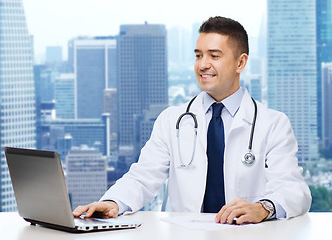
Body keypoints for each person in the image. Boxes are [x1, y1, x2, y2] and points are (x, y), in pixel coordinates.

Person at [72, 16, 311, 225]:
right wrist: (114, 202)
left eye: (214, 56)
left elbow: (294, 189)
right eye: (198, 56)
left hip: (245, 235)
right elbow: (143, 176)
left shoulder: (273, 124)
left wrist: (263, 207)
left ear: (241, 63)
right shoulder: (172, 120)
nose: (203, 64)